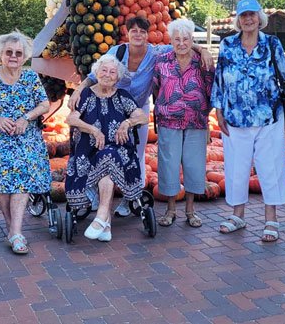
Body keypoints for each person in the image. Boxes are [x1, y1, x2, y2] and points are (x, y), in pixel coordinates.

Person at [68, 15, 213, 217]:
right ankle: (92, 195)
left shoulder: (156, 53)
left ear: (147, 35)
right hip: (111, 106)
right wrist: (78, 91)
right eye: (133, 30)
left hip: (138, 108)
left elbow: (182, 44)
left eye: (142, 31)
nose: (138, 34)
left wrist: (202, 48)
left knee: (136, 153)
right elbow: (95, 75)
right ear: (127, 33)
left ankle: (130, 199)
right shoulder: (117, 52)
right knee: (94, 147)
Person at [211, 0, 285, 242]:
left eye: (252, 15)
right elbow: (219, 78)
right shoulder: (227, 44)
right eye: (243, 15)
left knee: (270, 167)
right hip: (235, 117)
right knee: (236, 168)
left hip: (268, 116)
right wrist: (217, 109)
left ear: (259, 18)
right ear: (238, 20)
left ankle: (271, 218)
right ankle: (237, 215)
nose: (248, 19)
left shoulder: (272, 44)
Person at [0, 31, 52, 255]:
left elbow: (44, 104)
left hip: (25, 135)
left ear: (24, 57)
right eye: (8, 52)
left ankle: (14, 231)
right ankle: (13, 229)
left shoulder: (31, 78)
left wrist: (26, 117)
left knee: (22, 166)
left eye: (18, 53)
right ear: (0, 55)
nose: (13, 56)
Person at [65, 54, 149, 241]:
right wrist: (93, 130)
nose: (108, 75)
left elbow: (142, 117)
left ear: (118, 78)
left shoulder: (122, 96)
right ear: (96, 72)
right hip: (88, 151)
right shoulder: (86, 95)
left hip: (118, 150)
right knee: (106, 161)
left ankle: (102, 216)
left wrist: (127, 123)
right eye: (104, 70)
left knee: (109, 156)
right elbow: (71, 119)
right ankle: (105, 221)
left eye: (113, 72)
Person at [152, 18, 214, 228]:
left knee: (193, 165)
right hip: (168, 121)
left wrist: (203, 113)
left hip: (196, 121)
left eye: (186, 39)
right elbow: (155, 89)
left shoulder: (202, 61)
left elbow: (211, 89)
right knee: (168, 165)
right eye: (177, 39)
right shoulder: (162, 61)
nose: (181, 43)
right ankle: (170, 210)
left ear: (191, 40)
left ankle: (190, 210)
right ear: (171, 40)